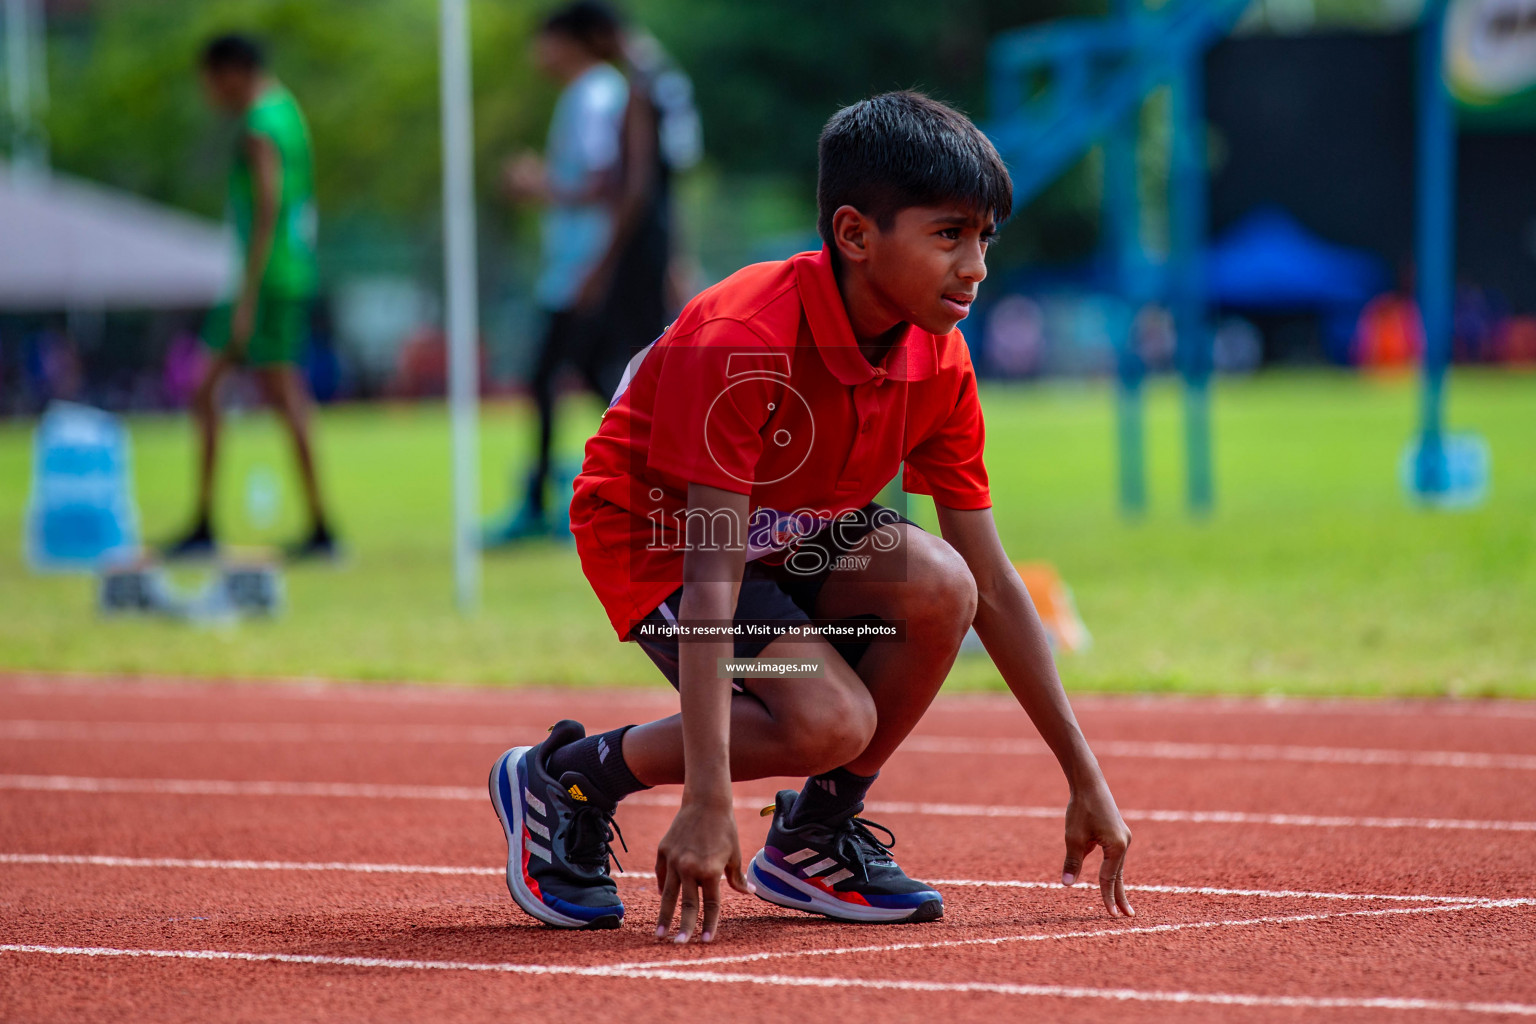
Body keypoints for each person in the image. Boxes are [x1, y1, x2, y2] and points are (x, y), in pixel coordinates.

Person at [488, 92, 1133, 941]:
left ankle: (816, 835)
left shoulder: (938, 356)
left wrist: (1084, 775)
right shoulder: (742, 341)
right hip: (665, 538)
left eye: (985, 238)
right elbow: (712, 577)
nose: (976, 266)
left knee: (943, 582)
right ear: (856, 234)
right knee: (824, 716)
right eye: (949, 235)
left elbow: (997, 585)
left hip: (791, 529)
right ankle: (570, 776)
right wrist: (707, 797)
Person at [486, 1, 692, 545]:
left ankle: (616, 494)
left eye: (546, 39)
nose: (538, 52)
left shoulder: (600, 94)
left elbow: (616, 186)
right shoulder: (612, 89)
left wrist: (541, 188)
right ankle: (633, 489)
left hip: (592, 264)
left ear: (573, 40)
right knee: (597, 378)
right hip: (590, 263)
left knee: (579, 377)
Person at [165, 33, 337, 561]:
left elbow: (268, 206)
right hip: (280, 275)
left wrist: (245, 297)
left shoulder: (260, 125)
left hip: (265, 280)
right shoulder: (287, 111)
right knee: (267, 396)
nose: (210, 93)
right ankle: (310, 527)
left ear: (233, 71)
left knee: (264, 395)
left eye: (211, 81)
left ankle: (315, 528)